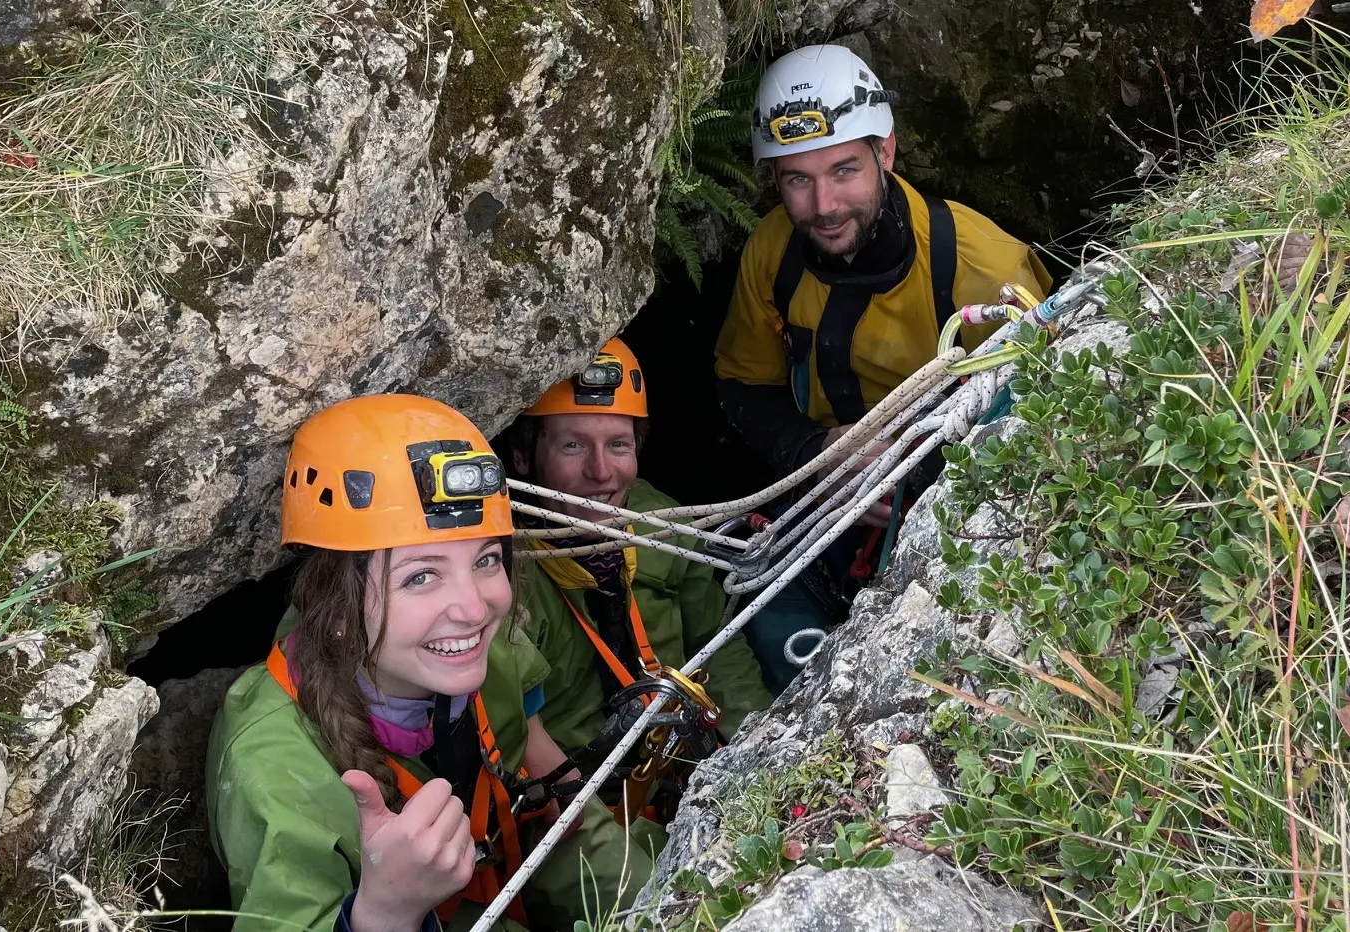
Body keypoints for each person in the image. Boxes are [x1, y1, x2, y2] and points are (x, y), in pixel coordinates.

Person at [206, 394, 652, 932]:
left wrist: (664, 909)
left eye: (486, 559)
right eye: (421, 576)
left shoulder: (491, 650)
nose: (474, 608)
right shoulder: (274, 767)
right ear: (338, 606)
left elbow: (558, 810)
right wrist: (383, 914)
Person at [713, 44, 1053, 693]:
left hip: (953, 517)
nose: (823, 204)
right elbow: (740, 387)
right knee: (770, 632)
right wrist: (820, 451)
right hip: (824, 511)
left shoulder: (985, 267)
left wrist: (909, 475)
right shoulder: (772, 256)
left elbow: (1044, 417)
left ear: (886, 153)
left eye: (844, 170)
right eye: (796, 180)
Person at [501, 339, 771, 837]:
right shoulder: (502, 581)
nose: (601, 472)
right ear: (521, 456)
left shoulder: (662, 526)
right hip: (585, 811)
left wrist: (763, 756)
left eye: (618, 445)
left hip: (683, 768)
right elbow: (518, 741)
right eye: (572, 445)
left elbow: (717, 646)